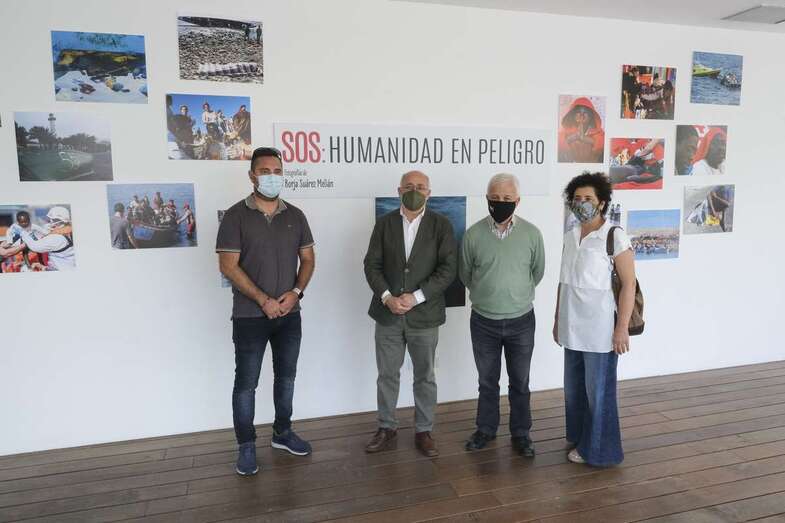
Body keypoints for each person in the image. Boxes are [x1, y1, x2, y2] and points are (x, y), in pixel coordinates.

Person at [216, 147, 316, 476]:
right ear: (252, 175)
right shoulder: (235, 216)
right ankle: (246, 446)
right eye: (264, 171)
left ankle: (282, 433)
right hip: (249, 317)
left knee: (286, 379)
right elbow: (228, 266)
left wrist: (295, 293)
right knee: (246, 384)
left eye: (277, 170)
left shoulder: (296, 216)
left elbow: (309, 259)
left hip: (290, 315)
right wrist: (263, 299)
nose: (271, 176)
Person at [363, 170, 457, 457]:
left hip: (425, 316)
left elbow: (448, 270)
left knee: (425, 376)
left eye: (420, 187)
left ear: (429, 192)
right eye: (409, 186)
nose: (414, 190)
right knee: (386, 375)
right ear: (399, 190)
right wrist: (387, 297)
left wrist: (414, 297)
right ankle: (386, 427)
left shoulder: (442, 225)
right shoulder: (384, 224)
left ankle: (423, 430)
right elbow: (372, 265)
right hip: (388, 314)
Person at [553, 172, 637, 467]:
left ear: (601, 202)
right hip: (571, 326)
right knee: (574, 390)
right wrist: (556, 320)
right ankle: (580, 437)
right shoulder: (570, 236)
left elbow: (629, 284)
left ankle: (600, 451)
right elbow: (563, 283)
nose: (582, 203)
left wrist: (622, 328)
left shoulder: (615, 236)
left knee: (597, 393)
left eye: (588, 198)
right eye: (577, 199)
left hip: (601, 330)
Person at [460, 173, 545, 457]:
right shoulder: (472, 234)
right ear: (487, 200)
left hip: (521, 321)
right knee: (487, 381)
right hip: (484, 321)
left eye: (507, 199)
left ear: (517, 201)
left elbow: (537, 272)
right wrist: (489, 294)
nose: (501, 203)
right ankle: (486, 429)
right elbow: (466, 274)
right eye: (495, 199)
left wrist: (513, 294)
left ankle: (521, 433)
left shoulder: (532, 234)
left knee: (520, 382)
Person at [11, 206, 76, 271]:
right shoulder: (67, 231)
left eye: (52, 219)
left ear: (58, 220)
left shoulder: (57, 238)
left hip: (59, 269)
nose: (50, 222)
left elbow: (35, 247)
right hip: (64, 266)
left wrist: (22, 232)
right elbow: (47, 235)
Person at [558, 98, 605, 163]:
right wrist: (574, 137)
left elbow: (603, 144)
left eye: (585, 112)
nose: (581, 115)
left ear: (591, 116)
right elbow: (559, 143)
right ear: (573, 115)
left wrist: (585, 139)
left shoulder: (598, 132)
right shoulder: (565, 130)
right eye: (578, 112)